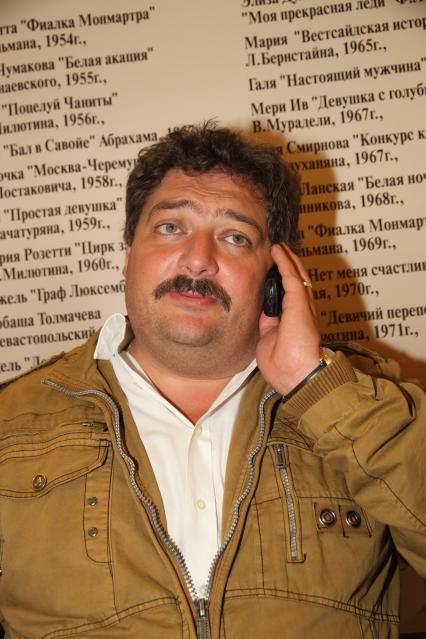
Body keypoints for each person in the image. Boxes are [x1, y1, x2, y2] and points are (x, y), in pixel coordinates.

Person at [0, 123, 424, 639]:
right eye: (170, 227)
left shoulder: (360, 405)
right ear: (129, 256)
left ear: (275, 276)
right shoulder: (11, 422)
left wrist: (315, 386)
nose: (199, 259)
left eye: (235, 237)